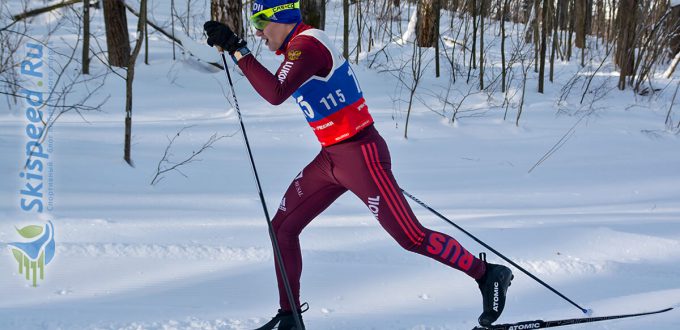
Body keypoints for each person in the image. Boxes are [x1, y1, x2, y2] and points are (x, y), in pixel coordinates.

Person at [204, 1, 512, 329]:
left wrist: (238, 48)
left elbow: (276, 93)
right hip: (330, 160)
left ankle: (487, 274)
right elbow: (276, 84)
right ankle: (289, 317)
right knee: (281, 227)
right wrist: (237, 49)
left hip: (361, 155)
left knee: (411, 237)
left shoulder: (309, 45)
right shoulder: (294, 51)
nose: (258, 32)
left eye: (261, 21)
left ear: (282, 18)